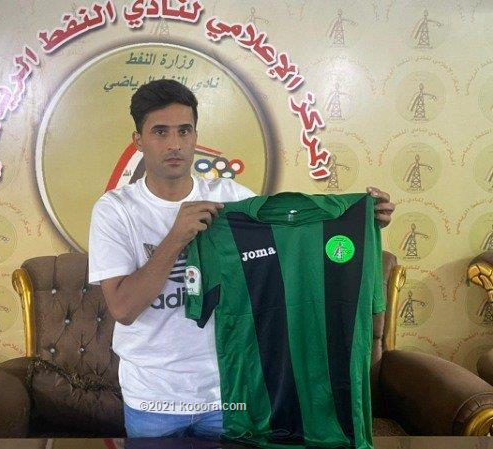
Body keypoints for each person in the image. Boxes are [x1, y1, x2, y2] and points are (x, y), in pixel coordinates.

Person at [88, 79, 395, 439]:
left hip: (230, 394)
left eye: (184, 131)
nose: (174, 144)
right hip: (153, 399)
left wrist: (358, 222)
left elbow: (293, 238)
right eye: (160, 132)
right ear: (138, 140)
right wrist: (176, 237)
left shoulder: (230, 199)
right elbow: (123, 309)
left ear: (195, 135)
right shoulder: (115, 210)